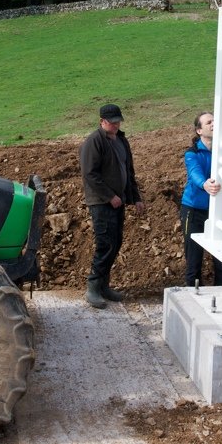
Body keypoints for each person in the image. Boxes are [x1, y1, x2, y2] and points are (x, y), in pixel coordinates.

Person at [78, 103, 144, 309]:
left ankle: (104, 286)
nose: (116, 125)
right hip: (101, 203)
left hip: (119, 201)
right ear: (102, 122)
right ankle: (93, 287)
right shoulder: (94, 142)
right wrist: (109, 196)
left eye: (118, 122)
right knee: (105, 244)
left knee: (116, 243)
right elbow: (90, 174)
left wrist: (135, 197)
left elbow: (128, 171)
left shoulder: (121, 140)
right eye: (112, 122)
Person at [180, 112, 222, 287]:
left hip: (216, 211)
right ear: (199, 130)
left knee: (221, 255)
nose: (214, 124)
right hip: (193, 210)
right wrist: (204, 184)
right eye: (209, 122)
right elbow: (194, 173)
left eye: (215, 120)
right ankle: (193, 292)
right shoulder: (193, 153)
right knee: (194, 256)